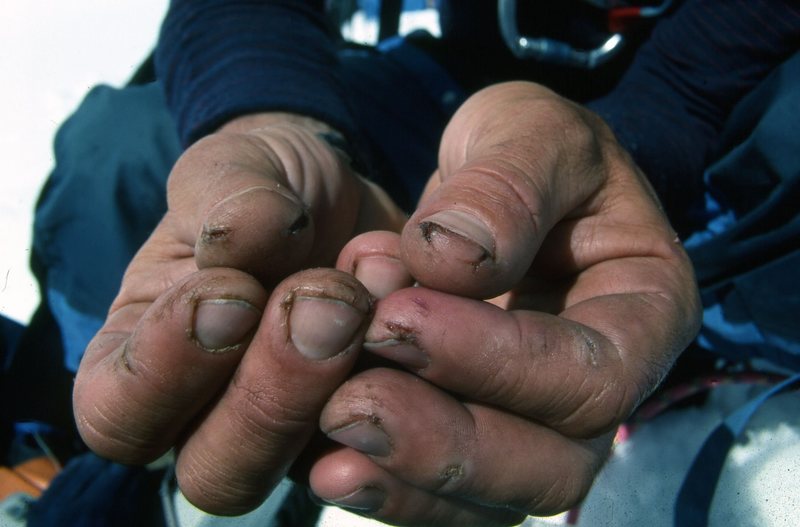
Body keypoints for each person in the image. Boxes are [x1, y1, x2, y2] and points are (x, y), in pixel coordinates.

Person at [20, 0, 800, 526]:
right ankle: (112, 451)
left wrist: (638, 141)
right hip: (436, 95)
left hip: (726, 127)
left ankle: (710, 338)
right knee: (121, 162)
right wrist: (274, 118)